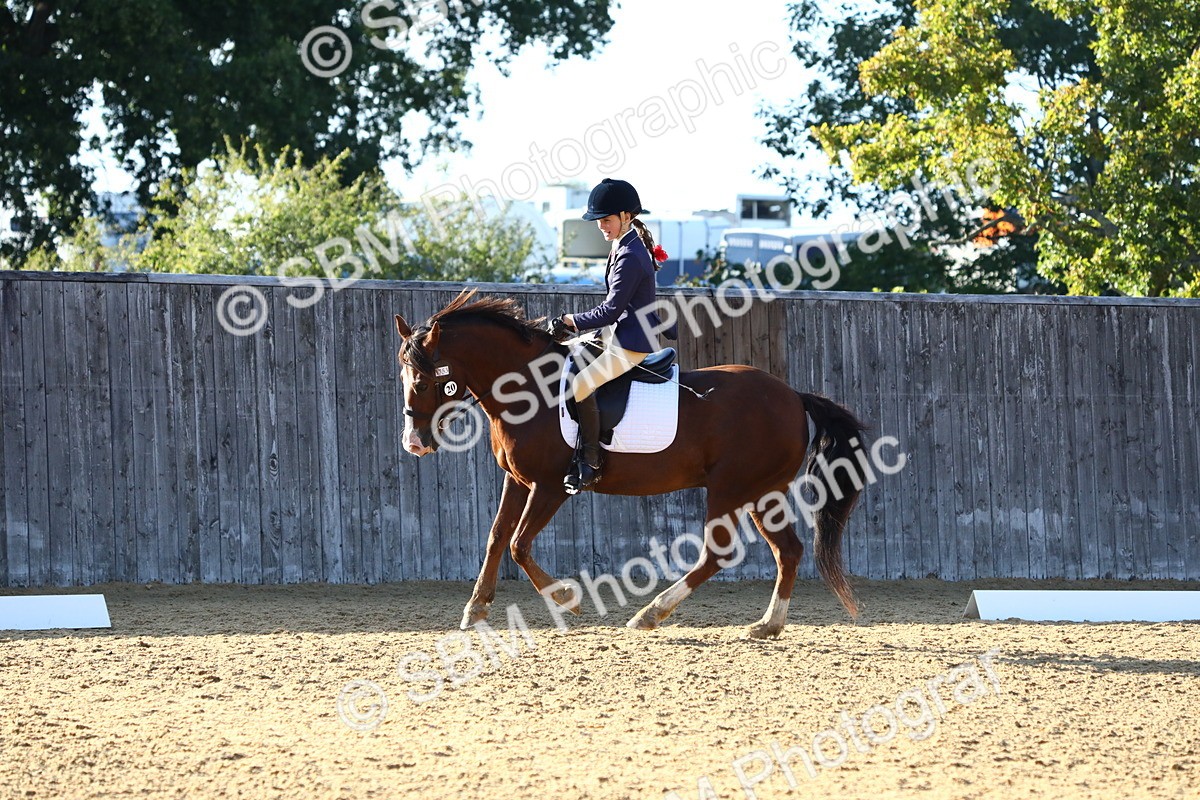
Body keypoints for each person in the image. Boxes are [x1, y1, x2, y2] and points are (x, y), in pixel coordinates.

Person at [548, 178, 674, 495]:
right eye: (599, 221)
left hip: (630, 344)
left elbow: (609, 311)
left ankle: (590, 461)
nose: (601, 227)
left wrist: (570, 320)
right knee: (570, 361)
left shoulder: (631, 255)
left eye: (606, 220)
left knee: (581, 383)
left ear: (626, 217)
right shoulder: (624, 244)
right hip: (615, 336)